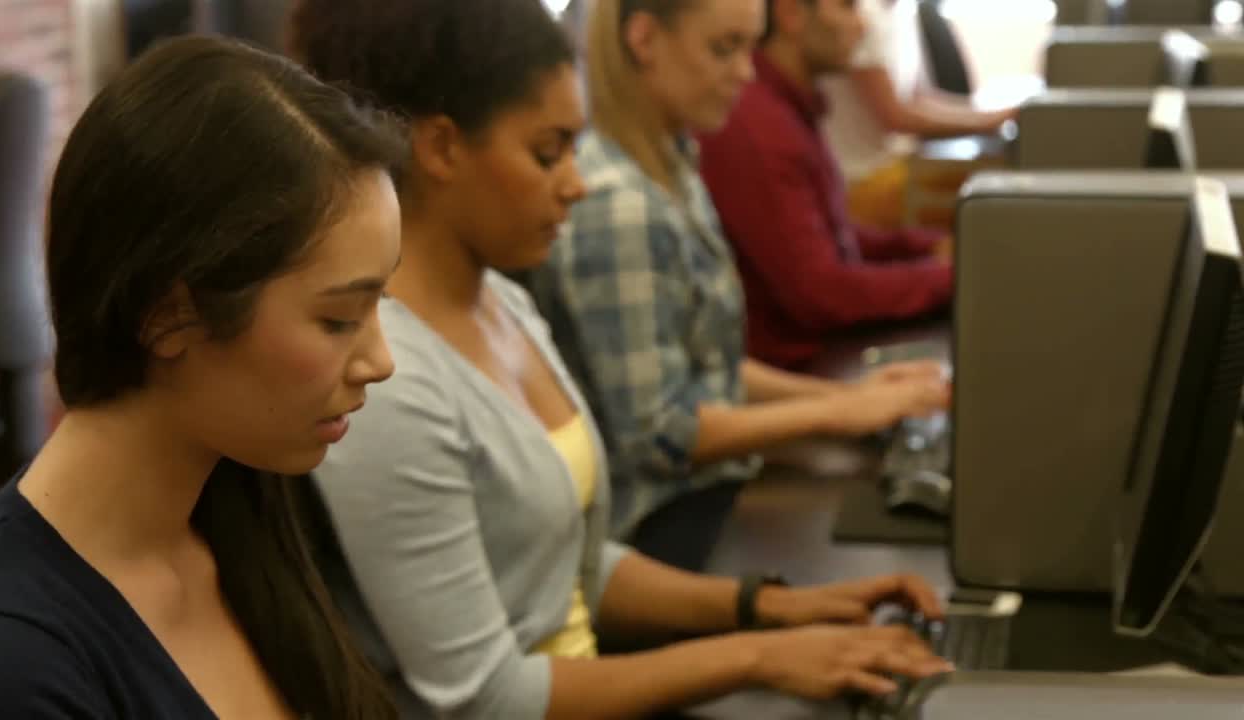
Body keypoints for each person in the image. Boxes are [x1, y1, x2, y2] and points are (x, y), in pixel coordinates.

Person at [293, 0, 951, 717]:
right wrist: (761, 654)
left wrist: (773, 607)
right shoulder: (392, 387)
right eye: (548, 153)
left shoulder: (503, 305)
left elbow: (565, 567)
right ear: (443, 148)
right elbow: (489, 696)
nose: (576, 182)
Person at [0, 36, 403, 719]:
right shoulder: (7, 663)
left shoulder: (236, 489)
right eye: (340, 318)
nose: (382, 360)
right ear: (168, 316)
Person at [530, 0, 949, 572]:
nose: (748, 73)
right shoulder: (620, 205)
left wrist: (853, 398)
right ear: (645, 39)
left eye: (749, 48)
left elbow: (711, 368)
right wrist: (837, 414)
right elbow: (660, 433)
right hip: (659, 533)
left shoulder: (671, 160)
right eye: (724, 49)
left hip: (701, 494)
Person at [699, 0, 954, 371]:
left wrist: (925, 248)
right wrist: (951, 277)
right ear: (791, 14)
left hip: (822, 350)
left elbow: (832, 238)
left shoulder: (787, 106)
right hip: (805, 367)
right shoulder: (761, 126)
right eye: (847, 6)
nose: (862, 27)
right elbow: (823, 294)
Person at [822, 0, 1017, 228]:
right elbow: (895, 117)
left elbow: (920, 98)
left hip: (897, 163)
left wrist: (986, 113)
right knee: (989, 202)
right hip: (862, 177)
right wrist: (986, 121)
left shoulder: (904, 10)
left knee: (993, 184)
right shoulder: (861, 17)